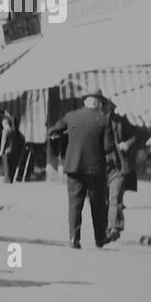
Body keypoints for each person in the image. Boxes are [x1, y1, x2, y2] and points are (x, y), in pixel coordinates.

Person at [47, 88, 116, 249]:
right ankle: (99, 238)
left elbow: (52, 131)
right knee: (98, 205)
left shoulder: (71, 117)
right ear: (98, 102)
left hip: (74, 167)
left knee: (74, 205)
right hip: (95, 169)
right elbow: (108, 147)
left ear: (85, 101)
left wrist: (61, 145)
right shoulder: (103, 120)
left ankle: (74, 239)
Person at [103, 96, 140, 243]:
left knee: (115, 196)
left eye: (108, 106)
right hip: (99, 165)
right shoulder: (94, 121)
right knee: (104, 199)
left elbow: (135, 137)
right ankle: (107, 226)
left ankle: (114, 228)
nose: (106, 109)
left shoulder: (120, 120)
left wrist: (127, 144)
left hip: (117, 164)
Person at [0, 113, 25, 183]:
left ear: (5, 123)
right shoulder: (13, 131)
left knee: (7, 167)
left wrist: (1, 151)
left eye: (3, 123)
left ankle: (7, 180)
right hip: (13, 150)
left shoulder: (5, 131)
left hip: (7, 151)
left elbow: (3, 142)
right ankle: (11, 179)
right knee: (11, 166)